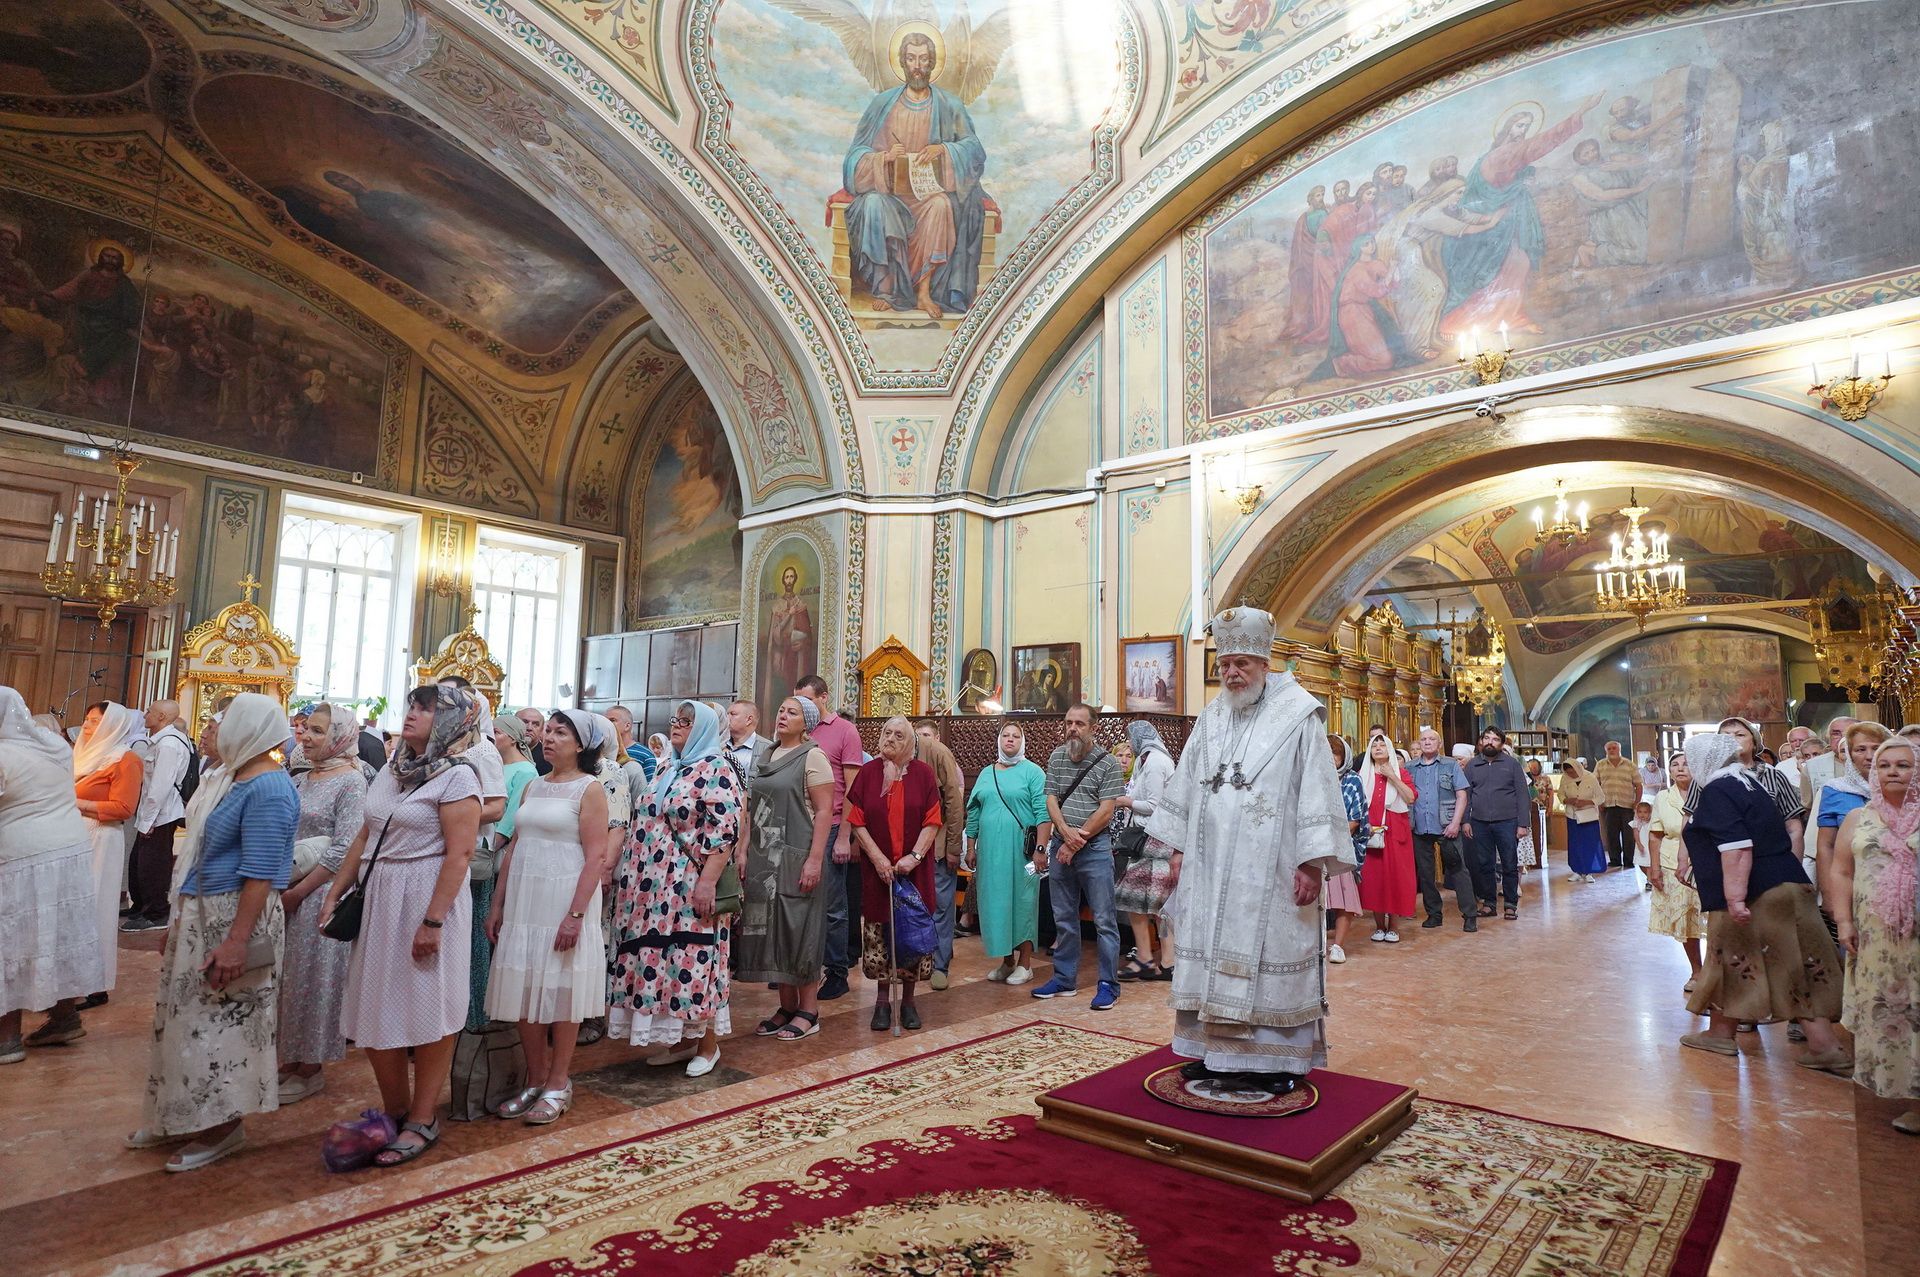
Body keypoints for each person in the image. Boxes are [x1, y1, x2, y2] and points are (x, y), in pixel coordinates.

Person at [1141, 606, 1353, 1093]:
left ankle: (1275, 1060)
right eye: (1225, 664)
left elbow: (1318, 790)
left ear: (1264, 663)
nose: (1232, 673)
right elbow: (1188, 783)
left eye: (1242, 663)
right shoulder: (1213, 716)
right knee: (1208, 950)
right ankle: (1213, 1051)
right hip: (1210, 867)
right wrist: (1176, 851)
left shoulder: (1299, 715)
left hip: (1275, 869)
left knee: (1271, 953)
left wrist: (1310, 863)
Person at [129, 693, 297, 1172]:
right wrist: (179, 923)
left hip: (235, 917)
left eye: (222, 723)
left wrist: (237, 941)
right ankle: (179, 1113)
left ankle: (223, 1127)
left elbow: (261, 872)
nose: (213, 730)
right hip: (203, 913)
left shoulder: (269, 788)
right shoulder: (230, 776)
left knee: (225, 1027)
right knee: (186, 1021)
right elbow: (201, 853)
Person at [325, 684, 484, 1167]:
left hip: (427, 896)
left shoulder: (458, 778)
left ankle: (422, 1116)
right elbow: (366, 833)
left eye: (427, 709)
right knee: (376, 1004)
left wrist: (433, 920)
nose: (412, 713)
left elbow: (460, 854)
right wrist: (337, 889)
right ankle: (394, 1108)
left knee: (429, 1006)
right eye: (412, 705)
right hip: (381, 897)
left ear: (453, 721)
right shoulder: (393, 771)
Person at [1679, 732, 1849, 1071]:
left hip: (1756, 893)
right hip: (1786, 884)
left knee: (1735, 960)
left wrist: (1735, 897)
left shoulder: (1717, 791)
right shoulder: (1749, 784)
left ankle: (1823, 1045)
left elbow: (1736, 846)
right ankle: (1728, 1034)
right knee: (1785, 963)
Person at [485, 709, 609, 1124]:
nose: (550, 738)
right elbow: (516, 845)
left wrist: (575, 914)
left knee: (560, 990)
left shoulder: (589, 789)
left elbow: (596, 856)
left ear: (581, 745)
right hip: (524, 899)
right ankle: (535, 1079)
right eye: (549, 732)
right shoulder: (534, 785)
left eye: (561, 733)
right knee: (523, 986)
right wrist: (499, 904)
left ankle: (559, 1081)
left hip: (563, 898)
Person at [608, 700, 739, 1075]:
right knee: (665, 959)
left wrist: (707, 882)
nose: (677, 726)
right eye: (675, 720)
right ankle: (682, 1039)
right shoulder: (668, 765)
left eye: (687, 721)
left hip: (688, 884)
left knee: (696, 958)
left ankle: (708, 1044)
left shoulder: (717, 768)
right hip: (653, 887)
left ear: (704, 729)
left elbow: (724, 832)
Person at [0, 687, 104, 1064]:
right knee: (56, 933)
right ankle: (63, 1017)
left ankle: (6, 1038)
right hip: (69, 850)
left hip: (21, 857)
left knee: (10, 940)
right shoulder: (54, 746)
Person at [277, 703, 368, 1105]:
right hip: (289, 888)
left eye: (318, 731)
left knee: (315, 981)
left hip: (321, 893)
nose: (308, 737)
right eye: (306, 729)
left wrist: (300, 892)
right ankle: (287, 1058)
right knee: (289, 979)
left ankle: (310, 1066)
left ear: (342, 736)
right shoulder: (302, 778)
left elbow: (345, 848)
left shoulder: (352, 781)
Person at [1830, 737, 1920, 1133]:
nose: (1893, 772)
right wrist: (1844, 921)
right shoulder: (1858, 818)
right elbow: (1841, 872)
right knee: (1891, 1013)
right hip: (1876, 939)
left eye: (1903, 765)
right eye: (1885, 766)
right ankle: (1909, 1093)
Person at [737, 696, 833, 1041]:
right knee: (772, 931)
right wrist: (744, 849)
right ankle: (786, 1006)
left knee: (799, 929)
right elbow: (750, 808)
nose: (782, 715)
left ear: (806, 722)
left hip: (796, 854)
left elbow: (824, 811)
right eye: (780, 710)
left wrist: (814, 859)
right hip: (765, 858)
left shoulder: (813, 756)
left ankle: (809, 1009)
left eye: (791, 712)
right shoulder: (765, 755)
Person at [847, 717, 943, 1030]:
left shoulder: (923, 775)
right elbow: (857, 820)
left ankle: (910, 1001)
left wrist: (914, 857)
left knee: (911, 933)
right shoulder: (869, 773)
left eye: (898, 734)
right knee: (880, 932)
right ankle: (881, 1001)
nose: (889, 738)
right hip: (878, 872)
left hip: (913, 873)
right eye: (886, 732)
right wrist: (876, 858)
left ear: (911, 743)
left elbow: (932, 820)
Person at [1031, 704, 1126, 1010]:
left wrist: (1075, 842)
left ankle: (1109, 985)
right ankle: (1064, 979)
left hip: (1094, 849)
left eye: (1080, 724)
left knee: (1104, 920)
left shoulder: (1108, 762)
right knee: (1064, 917)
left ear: (1092, 728)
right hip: (1062, 844)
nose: (1073, 728)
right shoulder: (1057, 756)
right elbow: (1051, 798)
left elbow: (1106, 810)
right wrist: (1062, 831)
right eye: (1069, 722)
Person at [58, 701, 145, 1029]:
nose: (89, 727)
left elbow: (123, 807)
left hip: (101, 838)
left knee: (95, 907)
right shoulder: (80, 753)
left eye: (97, 721)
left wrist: (76, 802)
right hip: (74, 834)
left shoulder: (125, 758)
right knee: (72, 908)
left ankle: (95, 985)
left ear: (113, 725)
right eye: (88, 720)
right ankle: (69, 983)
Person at [796, 673, 865, 1002]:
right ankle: (801, 964)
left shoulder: (844, 731)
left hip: (834, 823)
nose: (801, 706)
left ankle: (836, 971)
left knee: (833, 906)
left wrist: (845, 836)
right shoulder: (799, 730)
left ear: (824, 697)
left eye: (807, 700)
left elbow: (853, 788)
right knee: (799, 900)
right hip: (800, 826)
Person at [964, 721, 1049, 985]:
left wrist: (1040, 850)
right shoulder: (987, 773)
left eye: (1015, 736)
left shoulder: (1033, 773)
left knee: (1023, 902)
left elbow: (1043, 814)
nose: (1009, 740)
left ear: (1022, 742)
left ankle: (1025, 963)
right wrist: (970, 846)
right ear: (998, 740)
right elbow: (974, 811)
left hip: (1023, 854)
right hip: (990, 853)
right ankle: (1006, 961)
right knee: (996, 904)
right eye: (1005, 735)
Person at [1115, 721, 1179, 979]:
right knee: (1151, 902)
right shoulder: (1148, 759)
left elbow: (1154, 805)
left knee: (1141, 898)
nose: (1129, 743)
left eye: (1131, 738)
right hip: (1154, 839)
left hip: (1154, 840)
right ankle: (1160, 960)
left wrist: (1124, 801)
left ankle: (1154, 960)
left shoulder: (1154, 762)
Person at [123, 700, 192, 932]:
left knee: (153, 866)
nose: (145, 715)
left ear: (162, 716)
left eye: (149, 711)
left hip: (161, 814)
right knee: (139, 863)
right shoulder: (161, 740)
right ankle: (141, 905)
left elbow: (160, 787)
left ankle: (156, 913)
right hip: (153, 812)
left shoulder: (169, 745)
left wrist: (149, 820)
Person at [1406, 726, 1478, 932]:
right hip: (1419, 828)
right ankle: (1434, 914)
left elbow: (1462, 795)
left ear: (1439, 744)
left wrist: (1456, 822)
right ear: (1419, 744)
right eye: (1423, 739)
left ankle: (1470, 914)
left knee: (1458, 869)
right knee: (1426, 873)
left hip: (1447, 826)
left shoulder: (1450, 765)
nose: (1427, 742)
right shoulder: (1410, 767)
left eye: (1431, 739)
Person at [913, 721, 966, 991]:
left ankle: (940, 964)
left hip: (940, 844)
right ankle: (920, 958)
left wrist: (954, 847)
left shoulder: (939, 754)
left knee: (941, 906)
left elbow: (954, 805)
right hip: (911, 849)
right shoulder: (892, 756)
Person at [1646, 750, 1705, 990]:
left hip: (1705, 860)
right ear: (1669, 771)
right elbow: (1655, 834)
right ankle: (1697, 972)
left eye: (1686, 764)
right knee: (1685, 919)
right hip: (1672, 862)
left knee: (1712, 920)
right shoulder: (1663, 797)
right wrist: (1654, 868)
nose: (1680, 768)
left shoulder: (1708, 793)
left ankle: (1716, 970)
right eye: (1675, 765)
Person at [1813, 721, 1889, 895]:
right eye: (1860, 749)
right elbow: (1826, 846)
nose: (1869, 756)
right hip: (1852, 883)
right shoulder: (1835, 790)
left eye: (1876, 748)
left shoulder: (1903, 788)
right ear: (1849, 754)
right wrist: (1828, 892)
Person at [1356, 733, 1417, 942]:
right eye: (1375, 745)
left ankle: (1394, 926)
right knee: (1374, 879)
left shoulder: (1400, 772)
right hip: (1370, 831)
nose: (1379, 747)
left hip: (1395, 832)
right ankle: (1379, 925)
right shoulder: (1362, 774)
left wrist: (1392, 776)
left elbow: (1410, 798)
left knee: (1395, 878)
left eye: (1383, 744)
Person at [1465, 727, 1530, 918]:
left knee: (1509, 863)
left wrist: (1522, 824)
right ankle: (1489, 904)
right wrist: (1465, 821)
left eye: (1495, 739)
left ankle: (1510, 904)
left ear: (1501, 744)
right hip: (1479, 822)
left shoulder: (1512, 764)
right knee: (1485, 864)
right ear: (1481, 741)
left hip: (1507, 822)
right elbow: (1466, 795)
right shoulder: (1472, 765)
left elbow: (1522, 795)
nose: (1490, 742)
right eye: (1486, 738)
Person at [1322, 733, 1367, 964]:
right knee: (1318, 900)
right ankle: (1318, 945)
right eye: (1326, 752)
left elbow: (1355, 818)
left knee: (1344, 898)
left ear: (1343, 757)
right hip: (1316, 847)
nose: (1330, 758)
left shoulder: (1352, 780)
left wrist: (1333, 839)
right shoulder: (1314, 778)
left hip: (1340, 847)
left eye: (1335, 754)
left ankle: (1338, 945)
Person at [1594, 740, 1642, 871]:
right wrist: (1599, 802)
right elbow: (1595, 785)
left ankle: (1628, 861)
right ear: (1606, 751)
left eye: (1614, 748)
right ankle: (1615, 860)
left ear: (1619, 749)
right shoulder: (1600, 765)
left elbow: (1638, 785)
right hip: (1608, 805)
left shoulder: (1630, 765)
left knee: (1628, 835)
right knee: (1611, 834)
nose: (1612, 750)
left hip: (1627, 805)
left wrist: (1636, 803)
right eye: (1609, 748)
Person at [1560, 756, 1607, 882]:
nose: (1571, 774)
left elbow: (1601, 797)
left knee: (1590, 843)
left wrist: (1587, 802)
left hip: (1588, 817)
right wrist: (1567, 800)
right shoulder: (1565, 779)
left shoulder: (1590, 777)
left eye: (1573, 771)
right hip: (1572, 816)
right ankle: (1577, 870)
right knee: (1575, 844)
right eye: (1568, 772)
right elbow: (1560, 794)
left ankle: (1589, 871)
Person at [726, 700, 762, 783]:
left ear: (749, 720)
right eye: (727, 714)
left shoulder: (767, 749)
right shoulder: (719, 746)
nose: (727, 718)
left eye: (733, 714)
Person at [1631, 799, 1655, 889]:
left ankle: (1649, 882)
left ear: (1650, 813)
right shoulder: (1637, 822)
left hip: (1649, 845)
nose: (1642, 814)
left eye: (1645, 812)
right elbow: (1636, 833)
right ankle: (1650, 878)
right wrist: (1639, 843)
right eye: (1640, 812)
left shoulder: (1651, 823)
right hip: (1641, 845)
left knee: (1649, 864)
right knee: (1641, 863)